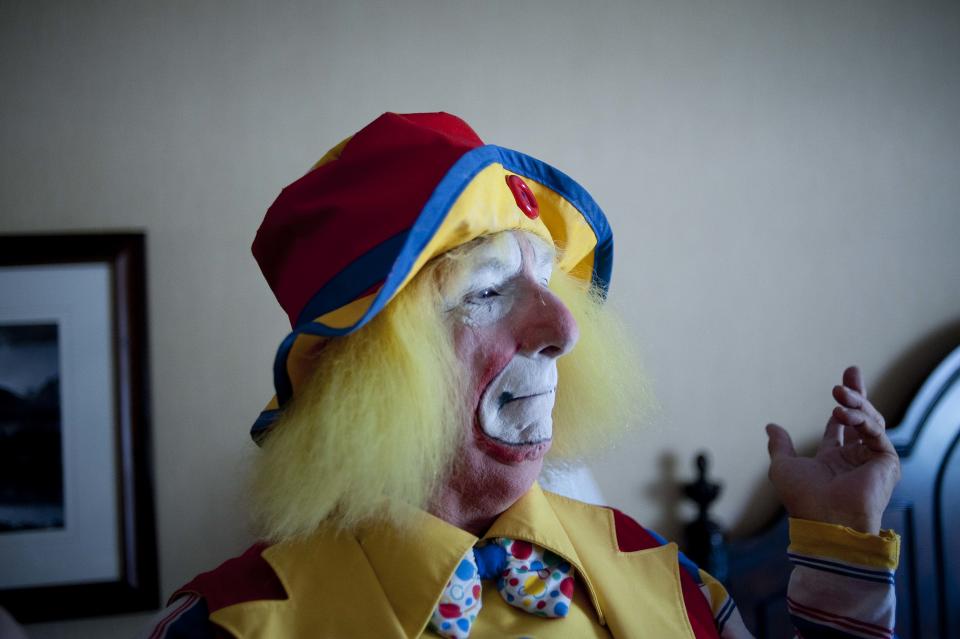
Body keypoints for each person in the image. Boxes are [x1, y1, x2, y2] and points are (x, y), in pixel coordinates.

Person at [146, 112, 901, 638]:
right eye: (486, 292)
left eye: (549, 283)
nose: (566, 330)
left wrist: (840, 546)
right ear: (371, 377)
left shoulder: (665, 577)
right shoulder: (223, 626)